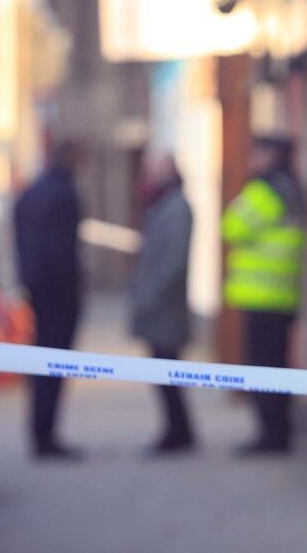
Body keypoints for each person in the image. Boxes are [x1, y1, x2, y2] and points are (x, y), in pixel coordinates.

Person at [222, 135, 307, 456]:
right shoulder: (295, 190)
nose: (252, 159)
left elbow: (230, 227)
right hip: (285, 294)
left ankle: (269, 436)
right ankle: (279, 432)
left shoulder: (265, 191)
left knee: (262, 367)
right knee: (278, 365)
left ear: (270, 155)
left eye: (257, 153)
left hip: (260, 295)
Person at [14, 141, 84, 460]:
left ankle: (41, 433)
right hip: (58, 293)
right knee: (53, 365)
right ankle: (46, 436)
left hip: (38, 291)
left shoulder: (32, 192)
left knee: (43, 363)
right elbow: (63, 251)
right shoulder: (63, 194)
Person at [129, 150, 196, 454]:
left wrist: (151, 294)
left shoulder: (177, 206)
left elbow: (174, 260)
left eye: (154, 169)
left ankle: (178, 433)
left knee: (169, 374)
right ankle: (177, 430)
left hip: (165, 308)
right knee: (164, 374)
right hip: (158, 307)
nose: (150, 174)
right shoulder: (160, 203)